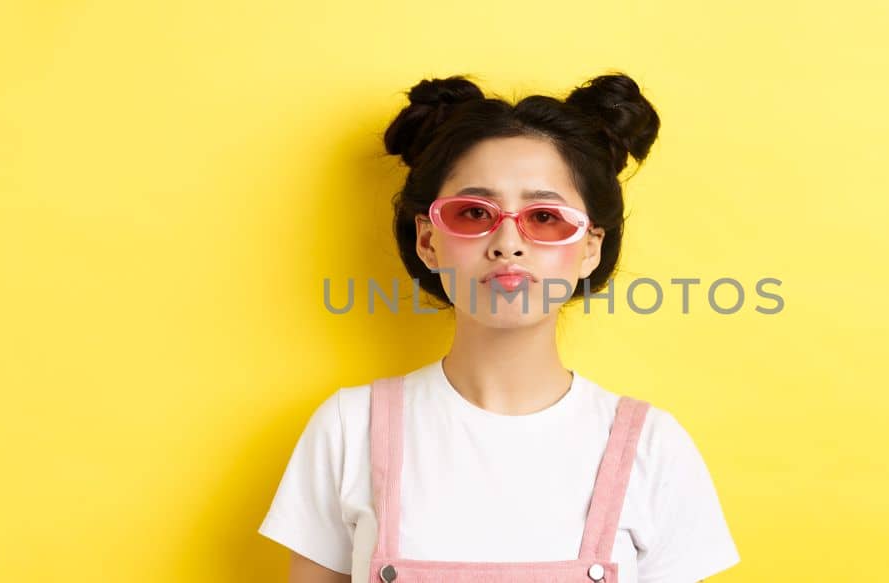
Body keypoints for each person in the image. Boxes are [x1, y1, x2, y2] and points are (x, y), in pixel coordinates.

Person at [259, 72, 740, 582]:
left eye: (545, 217)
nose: (508, 243)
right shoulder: (348, 427)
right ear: (427, 241)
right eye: (473, 212)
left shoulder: (651, 446)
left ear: (591, 247)